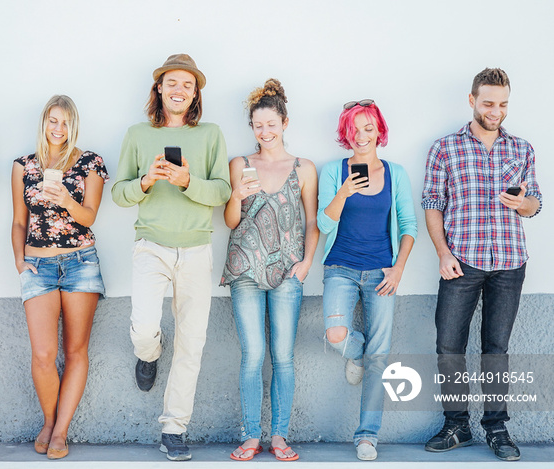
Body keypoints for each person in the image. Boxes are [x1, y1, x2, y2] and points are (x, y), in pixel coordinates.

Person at [111, 53, 231, 461]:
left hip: (197, 250)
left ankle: (174, 429)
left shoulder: (211, 134)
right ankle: (148, 354)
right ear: (159, 88)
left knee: (191, 344)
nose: (179, 90)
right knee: (145, 328)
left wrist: (187, 181)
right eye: (172, 83)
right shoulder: (137, 134)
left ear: (195, 93)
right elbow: (119, 193)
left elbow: (222, 192)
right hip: (151, 247)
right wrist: (145, 182)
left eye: (187, 84)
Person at [422, 68, 542, 461]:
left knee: (496, 349)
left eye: (503, 103)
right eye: (488, 103)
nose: (496, 111)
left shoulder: (521, 149)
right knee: (448, 346)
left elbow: (535, 204)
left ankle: (497, 428)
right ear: (472, 100)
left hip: (509, 262)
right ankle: (456, 425)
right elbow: (433, 205)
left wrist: (522, 204)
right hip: (461, 261)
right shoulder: (445, 148)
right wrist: (442, 252)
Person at [221, 79, 319, 462]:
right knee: (253, 354)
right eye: (258, 126)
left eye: (271, 124)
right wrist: (236, 196)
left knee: (283, 356)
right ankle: (250, 436)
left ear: (285, 122)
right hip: (244, 270)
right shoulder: (240, 165)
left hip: (287, 274)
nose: (265, 132)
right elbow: (231, 221)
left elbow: (312, 222)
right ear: (252, 127)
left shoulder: (304, 168)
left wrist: (306, 264)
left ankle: (279, 436)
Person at [317, 100, 417, 461]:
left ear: (379, 131)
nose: (361, 136)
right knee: (336, 334)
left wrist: (399, 268)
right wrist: (344, 192)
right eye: (354, 129)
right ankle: (355, 353)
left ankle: (367, 436)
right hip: (340, 268)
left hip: (381, 273)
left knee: (380, 357)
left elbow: (409, 226)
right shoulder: (332, 171)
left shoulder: (396, 173)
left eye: (368, 128)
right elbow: (324, 224)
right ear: (346, 133)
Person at [11, 95, 108, 460]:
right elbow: (19, 221)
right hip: (39, 266)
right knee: (43, 354)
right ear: (44, 122)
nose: (58, 129)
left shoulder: (90, 163)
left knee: (75, 351)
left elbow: (89, 217)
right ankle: (49, 421)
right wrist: (20, 262)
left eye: (65, 122)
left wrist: (66, 199)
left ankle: (60, 431)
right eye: (53, 120)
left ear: (74, 125)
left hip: (80, 263)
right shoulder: (23, 166)